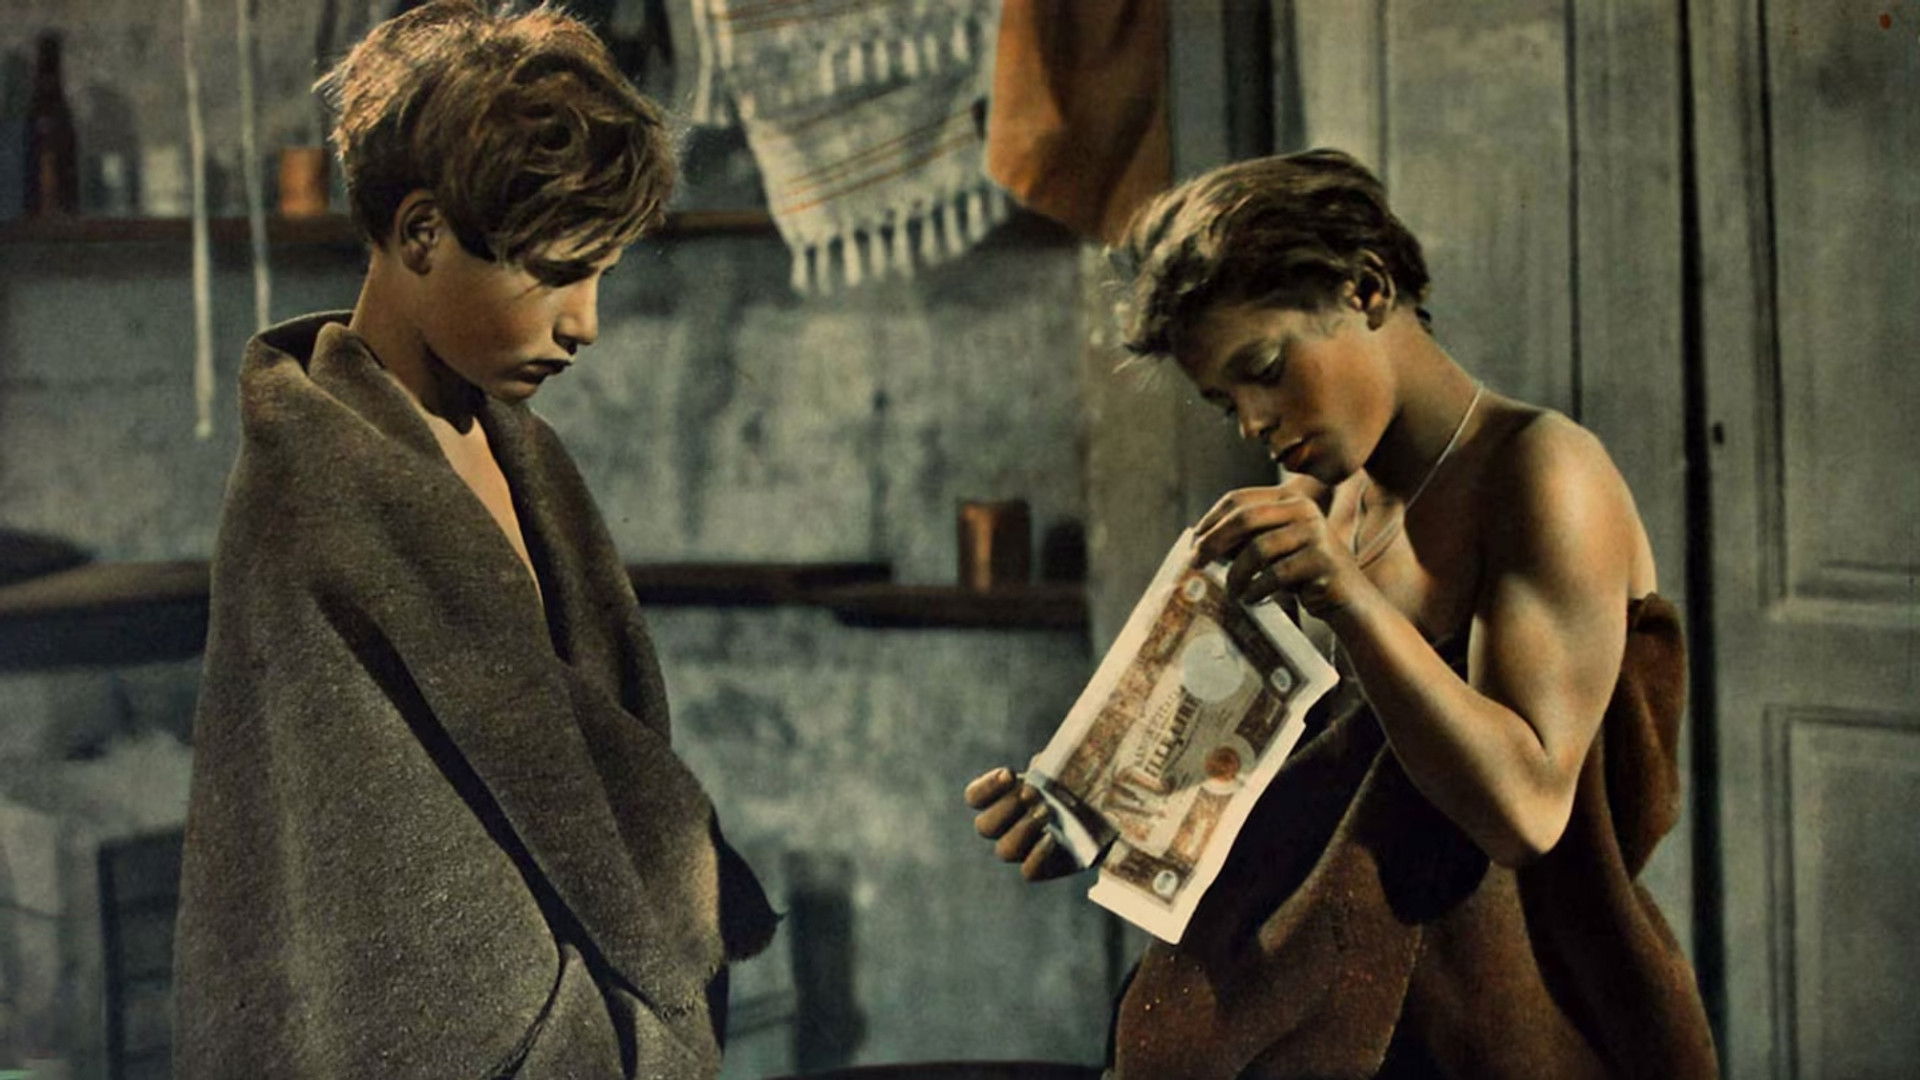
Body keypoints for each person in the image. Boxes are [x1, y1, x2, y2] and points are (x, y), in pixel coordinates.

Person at [965, 149, 1718, 1078]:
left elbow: (1526, 816)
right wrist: (1094, 814)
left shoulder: (1543, 470)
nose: (1253, 422)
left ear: (1365, 289)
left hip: (1518, 1032)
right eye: (1224, 403)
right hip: (1323, 1019)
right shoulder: (1321, 502)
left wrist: (1351, 601)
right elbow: (1286, 793)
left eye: (1265, 368)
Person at [172, 3, 776, 1076]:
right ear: (421, 234)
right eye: (554, 272)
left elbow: (586, 757)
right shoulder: (311, 492)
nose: (584, 322)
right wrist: (563, 1031)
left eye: (600, 275)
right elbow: (372, 880)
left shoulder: (526, 455)